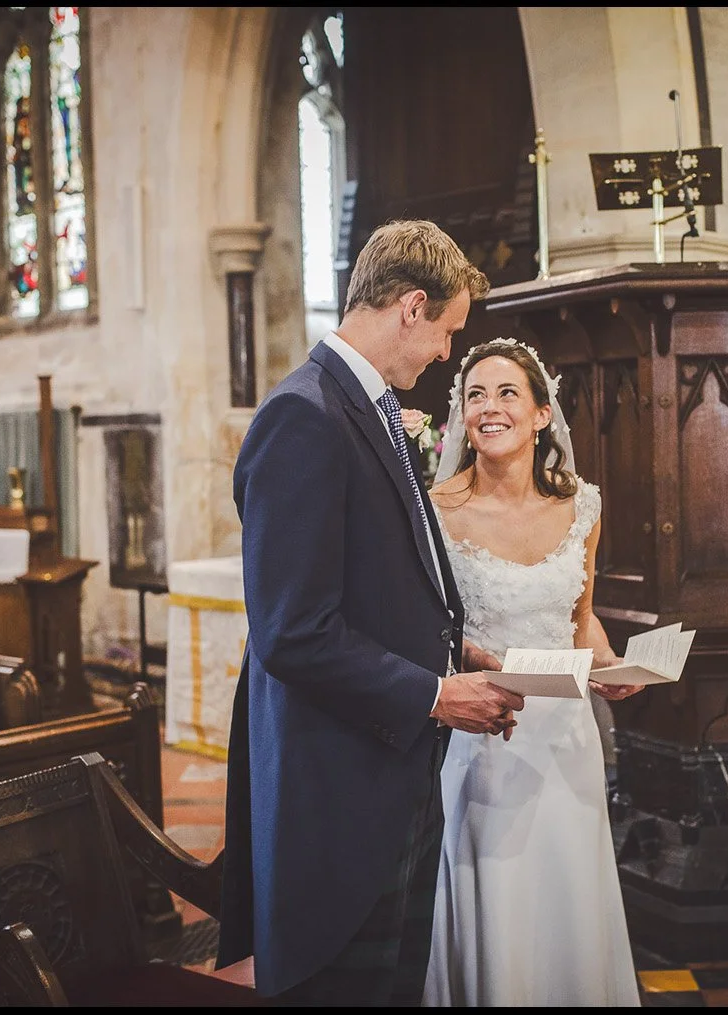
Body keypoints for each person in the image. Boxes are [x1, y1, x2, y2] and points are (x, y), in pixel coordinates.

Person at [215, 219, 527, 1004]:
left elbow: (378, 581)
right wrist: (434, 694)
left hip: (392, 773)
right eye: (447, 331)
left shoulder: (369, 407)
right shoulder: (304, 416)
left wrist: (453, 653)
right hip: (337, 791)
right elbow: (293, 630)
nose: (446, 354)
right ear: (412, 307)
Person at [422, 338, 645, 1006]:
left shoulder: (582, 506)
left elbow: (580, 616)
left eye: (506, 393)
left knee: (566, 901)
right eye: (475, 395)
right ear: (461, 415)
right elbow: (422, 626)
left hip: (566, 740)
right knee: (499, 904)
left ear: (542, 414)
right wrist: (466, 657)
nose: (488, 407)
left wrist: (611, 664)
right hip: (482, 733)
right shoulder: (434, 509)